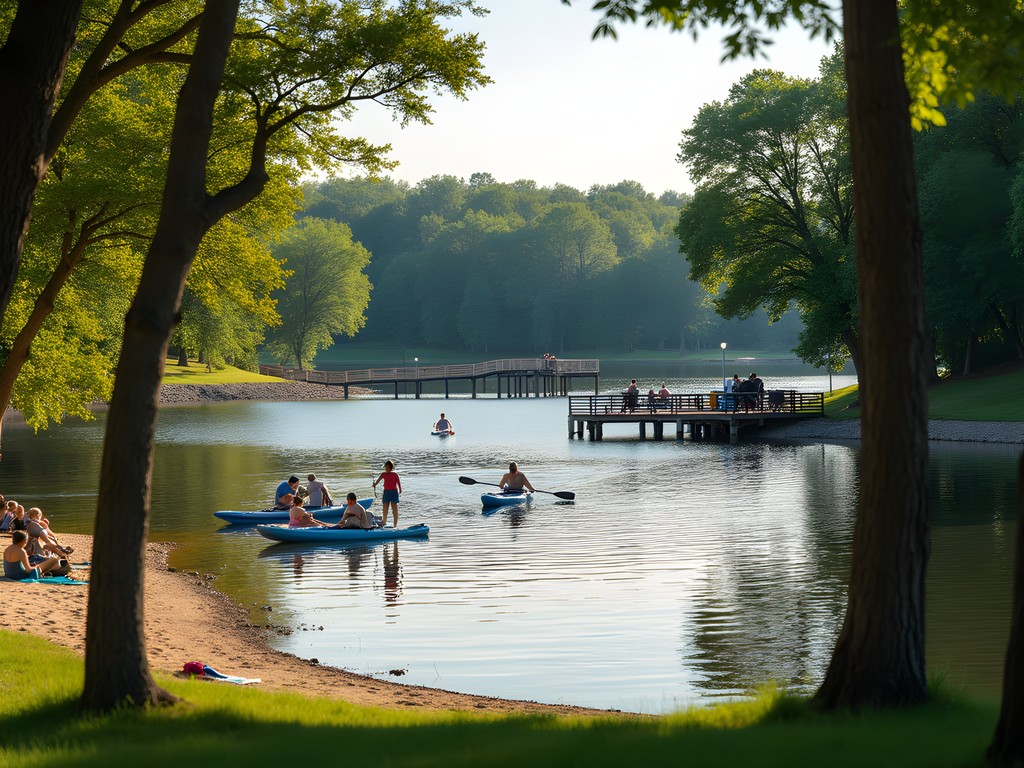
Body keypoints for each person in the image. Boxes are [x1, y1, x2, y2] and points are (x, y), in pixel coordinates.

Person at [372, 460, 402, 528]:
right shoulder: (383, 474)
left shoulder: (395, 474)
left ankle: (395, 525)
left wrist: (400, 489)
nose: (387, 469)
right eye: (386, 467)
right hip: (386, 493)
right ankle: (384, 523)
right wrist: (375, 484)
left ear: (391, 468)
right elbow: (378, 481)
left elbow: (398, 482)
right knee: (385, 508)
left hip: (394, 492)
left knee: (394, 509)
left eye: (388, 468)